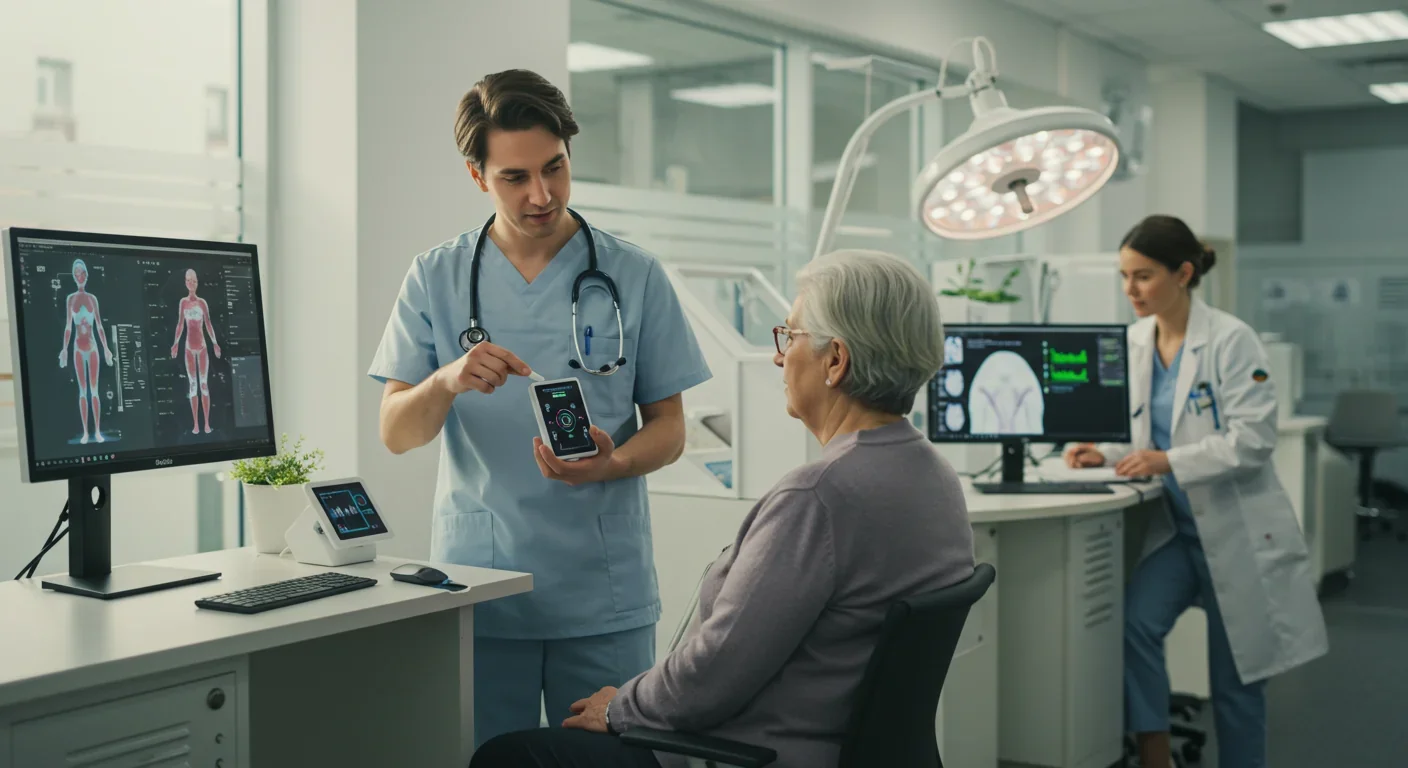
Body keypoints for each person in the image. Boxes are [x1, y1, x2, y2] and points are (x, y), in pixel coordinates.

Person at [471, 250, 977, 768]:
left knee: (511, 755)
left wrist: (620, 706)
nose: (779, 358)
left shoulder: (817, 498)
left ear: (835, 360)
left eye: (791, 337)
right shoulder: (936, 478)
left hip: (753, 751)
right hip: (853, 752)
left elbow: (707, 682)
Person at [368, 69, 712, 749]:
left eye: (555, 168)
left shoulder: (632, 274)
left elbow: (669, 428)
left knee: (610, 766)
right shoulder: (436, 276)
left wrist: (612, 464)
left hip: (603, 595)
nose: (542, 195)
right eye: (515, 178)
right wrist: (444, 382)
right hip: (484, 590)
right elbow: (395, 433)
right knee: (490, 760)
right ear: (477, 176)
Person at [1065, 214, 1327, 768]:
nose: (1129, 290)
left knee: (1236, 685)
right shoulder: (1136, 341)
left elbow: (1252, 441)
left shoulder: (1231, 340)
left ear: (1183, 273)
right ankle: (1155, 757)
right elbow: (1145, 433)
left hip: (1235, 533)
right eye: (1124, 276)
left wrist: (1166, 460)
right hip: (1180, 536)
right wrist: (1106, 454)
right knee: (1136, 625)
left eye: (1142, 276)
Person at [58, 258, 114, 444]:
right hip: (77, 348)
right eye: (76, 273)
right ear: (74, 276)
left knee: (94, 390)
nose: (80, 276)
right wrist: (64, 349)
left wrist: (106, 348)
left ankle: (97, 431)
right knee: (83, 391)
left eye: (82, 273)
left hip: (92, 348)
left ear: (86, 275)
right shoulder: (70, 299)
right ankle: (85, 432)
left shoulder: (92, 299)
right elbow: (68, 327)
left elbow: (99, 326)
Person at [170, 269, 222, 434]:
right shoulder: (183, 303)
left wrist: (215, 343)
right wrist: (175, 343)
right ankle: (196, 425)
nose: (191, 283)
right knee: (193, 385)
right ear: (185, 282)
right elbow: (180, 325)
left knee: (204, 384)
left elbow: (208, 324)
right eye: (188, 280)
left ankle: (206, 423)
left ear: (197, 282)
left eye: (194, 280)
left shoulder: (202, 303)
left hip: (202, 348)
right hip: (188, 348)